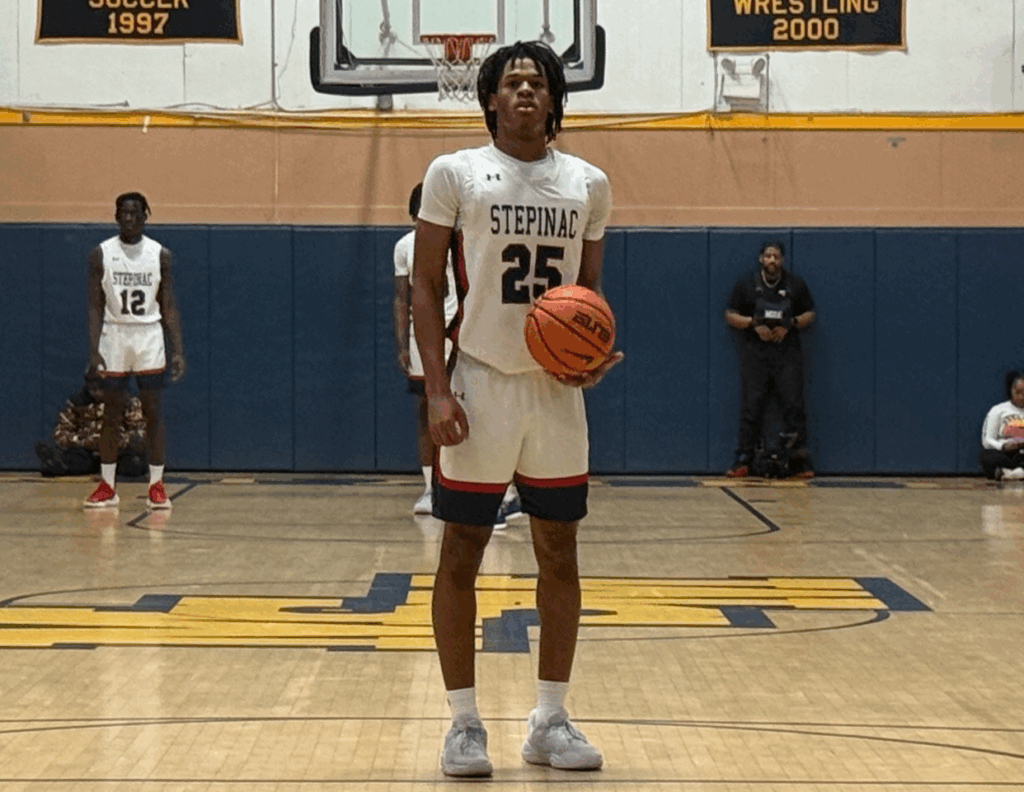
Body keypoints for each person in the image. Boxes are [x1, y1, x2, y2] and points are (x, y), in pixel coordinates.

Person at [412, 40, 622, 777]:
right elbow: (427, 287)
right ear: (492, 100)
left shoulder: (588, 183)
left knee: (559, 552)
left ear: (554, 98)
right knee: (461, 552)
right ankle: (464, 724)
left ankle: (550, 718)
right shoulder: (456, 174)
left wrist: (591, 355)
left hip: (554, 395)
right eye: (512, 82)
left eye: (538, 81)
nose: (526, 90)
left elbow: (588, 293)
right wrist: (437, 389)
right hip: (480, 381)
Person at [393, 183, 524, 528]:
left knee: (476, 411)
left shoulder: (473, 238)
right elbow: (402, 297)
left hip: (465, 332)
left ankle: (497, 493)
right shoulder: (409, 245)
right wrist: (403, 343)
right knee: (437, 410)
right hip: (438, 333)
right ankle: (437, 490)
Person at [83, 192, 186, 509]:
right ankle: (107, 486)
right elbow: (94, 306)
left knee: (153, 413)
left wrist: (177, 349)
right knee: (110, 414)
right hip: (115, 334)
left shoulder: (160, 254)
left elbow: (168, 306)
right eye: (123, 213)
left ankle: (156, 485)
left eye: (135, 213)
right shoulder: (101, 253)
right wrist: (93, 348)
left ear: (145, 216)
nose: (129, 218)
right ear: (116, 217)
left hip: (148, 336)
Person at [724, 240, 816, 479]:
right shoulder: (747, 284)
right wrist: (753, 324)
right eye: (768, 256)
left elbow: (809, 313)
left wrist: (791, 324)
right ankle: (744, 459)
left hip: (788, 356)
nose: (772, 260)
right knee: (751, 408)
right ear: (761, 259)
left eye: (776, 257)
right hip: (756, 356)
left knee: (794, 407)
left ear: (782, 260)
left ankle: (799, 462)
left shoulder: (795, 284)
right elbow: (731, 314)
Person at [35, 371, 147, 479]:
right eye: (93, 389)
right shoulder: (76, 402)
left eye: (102, 388)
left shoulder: (127, 400)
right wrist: (83, 441)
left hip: (117, 452)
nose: (97, 393)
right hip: (86, 451)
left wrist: (119, 441)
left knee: (133, 464)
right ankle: (56, 464)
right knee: (74, 460)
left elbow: (140, 430)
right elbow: (60, 431)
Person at [979, 370, 1024, 480]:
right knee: (986, 456)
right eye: (1018, 392)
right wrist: (1004, 446)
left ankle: (1009, 473)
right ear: (1010, 391)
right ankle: (1016, 472)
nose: (1022, 396)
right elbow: (987, 440)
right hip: (1008, 454)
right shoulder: (998, 410)